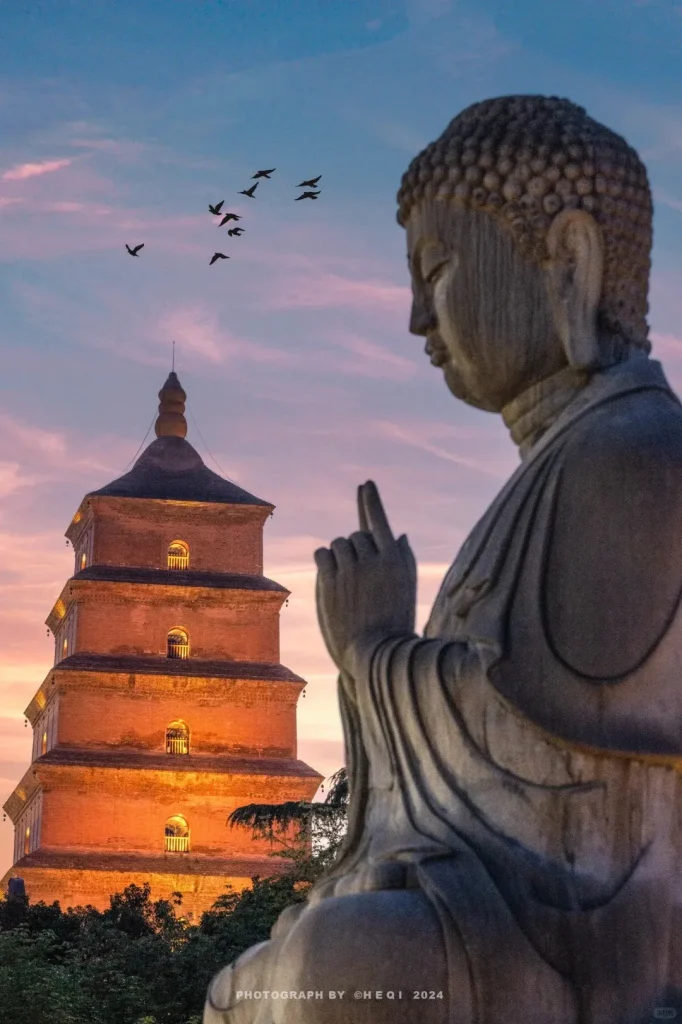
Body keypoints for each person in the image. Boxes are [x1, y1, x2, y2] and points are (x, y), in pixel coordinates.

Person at [205, 95, 682, 1024]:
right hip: (506, 916)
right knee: (265, 972)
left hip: (605, 935)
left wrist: (375, 648)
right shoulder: (555, 466)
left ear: (569, 261)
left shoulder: (637, 455)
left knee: (354, 961)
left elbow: (571, 742)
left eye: (442, 269)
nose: (419, 317)